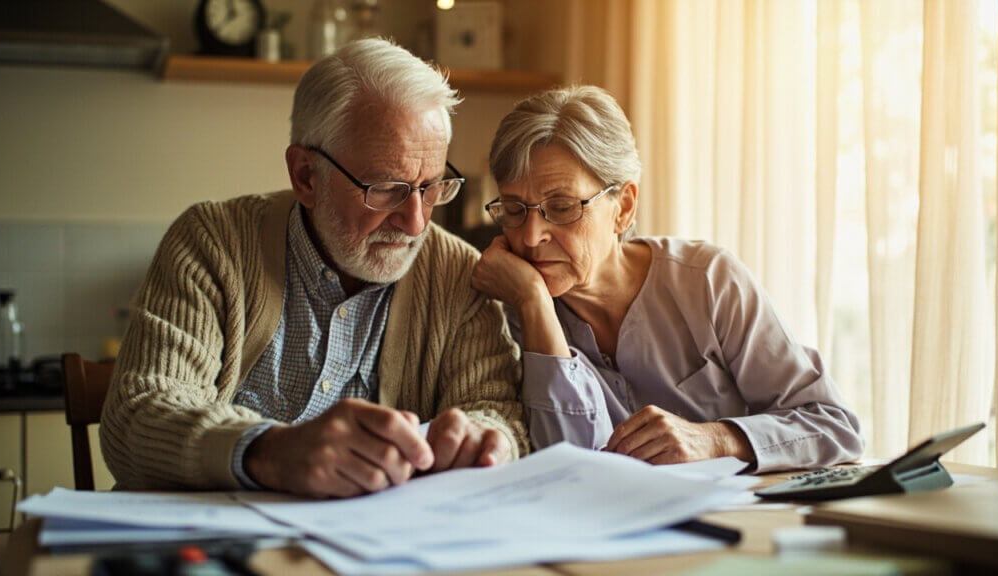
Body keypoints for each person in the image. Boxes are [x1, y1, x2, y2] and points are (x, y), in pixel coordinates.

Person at [100, 38, 527, 498]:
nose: (416, 221)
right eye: (386, 189)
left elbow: (496, 410)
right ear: (306, 175)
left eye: (432, 186)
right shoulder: (212, 243)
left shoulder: (458, 275)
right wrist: (270, 451)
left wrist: (487, 440)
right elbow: (136, 418)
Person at [471, 86, 862, 472]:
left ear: (623, 207)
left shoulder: (708, 281)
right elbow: (569, 466)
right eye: (514, 209)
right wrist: (535, 304)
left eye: (560, 206)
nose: (530, 235)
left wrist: (717, 438)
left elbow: (832, 424)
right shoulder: (509, 311)